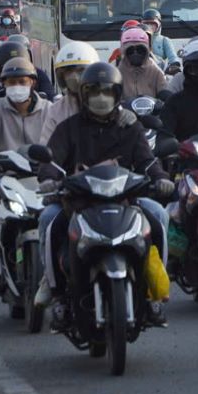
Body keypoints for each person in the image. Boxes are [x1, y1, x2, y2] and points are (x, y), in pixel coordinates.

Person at [37, 62, 174, 328]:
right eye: (94, 91)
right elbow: (51, 162)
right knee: (48, 221)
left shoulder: (130, 126)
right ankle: (57, 295)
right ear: (84, 95)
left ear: (117, 95)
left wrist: (161, 179)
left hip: (126, 201)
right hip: (77, 204)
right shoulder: (68, 127)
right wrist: (49, 180)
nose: (101, 98)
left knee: (158, 215)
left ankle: (153, 294)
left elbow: (147, 161)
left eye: (107, 92)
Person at [0, 58, 48, 292]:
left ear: (32, 82)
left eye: (21, 81)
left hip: (44, 177)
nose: (16, 87)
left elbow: (59, 139)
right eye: (11, 82)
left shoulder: (49, 109)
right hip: (7, 175)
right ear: (3, 84)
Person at [38, 41, 99, 144]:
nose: (74, 76)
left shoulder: (107, 101)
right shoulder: (56, 111)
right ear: (62, 77)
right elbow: (48, 145)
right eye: (68, 71)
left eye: (80, 70)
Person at [117, 26, 168, 102]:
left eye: (140, 50)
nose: (135, 53)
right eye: (130, 51)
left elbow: (164, 92)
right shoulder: (117, 73)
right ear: (124, 52)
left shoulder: (155, 71)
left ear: (147, 51)